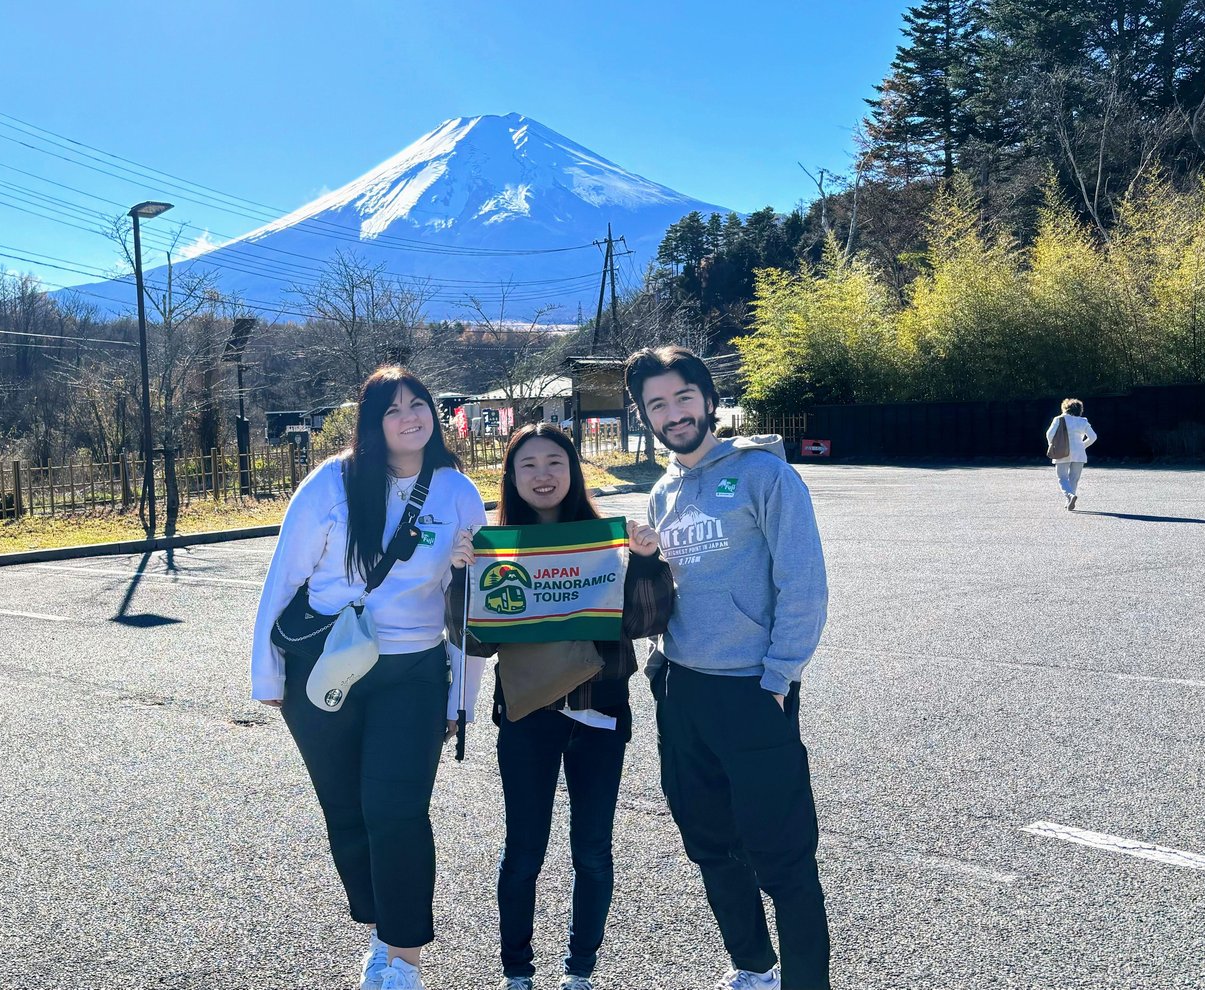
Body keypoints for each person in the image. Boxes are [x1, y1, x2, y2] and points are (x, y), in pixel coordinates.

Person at [251, 366, 488, 990]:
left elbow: (468, 603)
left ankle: (401, 956)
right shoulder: (331, 483)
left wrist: (463, 694)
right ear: (371, 421)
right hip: (324, 667)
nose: (410, 417)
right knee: (347, 811)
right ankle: (382, 930)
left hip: (413, 673)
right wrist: (266, 674)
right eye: (393, 409)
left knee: (397, 810)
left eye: (420, 405)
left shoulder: (458, 491)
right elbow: (283, 580)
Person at [623, 346, 831, 990]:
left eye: (682, 397)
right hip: (682, 690)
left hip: (751, 689)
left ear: (708, 399)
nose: (672, 413)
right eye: (656, 403)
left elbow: (804, 583)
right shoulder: (662, 492)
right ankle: (753, 967)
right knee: (709, 841)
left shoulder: (764, 476)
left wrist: (779, 676)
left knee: (783, 855)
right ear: (645, 416)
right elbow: (671, 592)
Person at [453, 424, 673, 990]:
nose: (543, 474)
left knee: (594, 853)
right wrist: (461, 576)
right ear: (512, 477)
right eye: (528, 465)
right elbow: (473, 641)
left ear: (573, 471)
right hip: (529, 720)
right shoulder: (496, 548)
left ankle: (580, 971)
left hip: (601, 716)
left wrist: (647, 562)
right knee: (523, 854)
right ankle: (517, 972)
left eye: (555, 461)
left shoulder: (604, 543)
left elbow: (643, 624)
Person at [1046, 398, 1098, 510]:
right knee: (1074, 478)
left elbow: (1049, 434)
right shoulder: (1083, 421)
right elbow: (1093, 437)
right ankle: (1069, 500)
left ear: (1065, 408)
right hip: (1079, 453)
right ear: (1080, 410)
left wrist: (1053, 444)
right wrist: (1082, 446)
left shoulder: (1059, 419)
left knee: (1062, 477)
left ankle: (1069, 496)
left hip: (1062, 451)